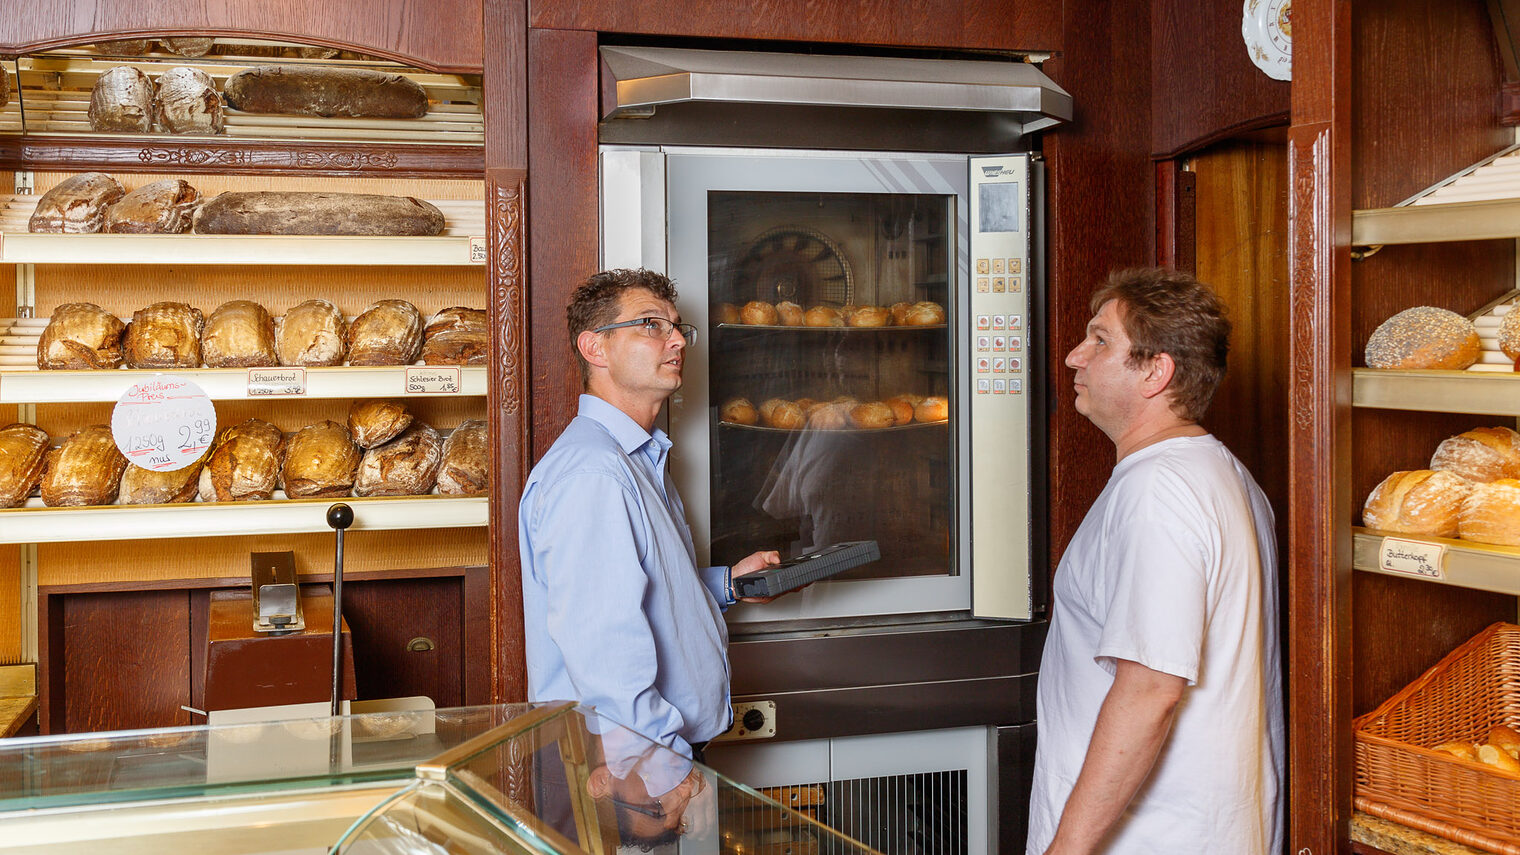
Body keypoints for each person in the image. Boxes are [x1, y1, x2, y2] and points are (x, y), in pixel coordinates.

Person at [1026, 268, 1284, 855]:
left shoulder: (1158, 493)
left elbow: (1150, 690)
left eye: (1099, 340)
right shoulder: (1224, 473)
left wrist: (1066, 849)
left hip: (1152, 837)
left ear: (1156, 371)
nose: (1073, 357)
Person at [519, 268, 780, 809]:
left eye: (677, 327)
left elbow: (641, 592)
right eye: (651, 326)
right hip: (628, 770)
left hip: (651, 754)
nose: (679, 339)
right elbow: (603, 650)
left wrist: (728, 585)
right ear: (595, 347)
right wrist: (666, 774)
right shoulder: (594, 473)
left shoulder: (635, 459)